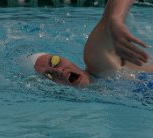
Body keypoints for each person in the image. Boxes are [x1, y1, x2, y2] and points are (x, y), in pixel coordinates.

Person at [20, 0, 152, 87]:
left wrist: (115, 19)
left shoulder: (97, 62)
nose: (59, 71)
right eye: (49, 76)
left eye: (55, 61)